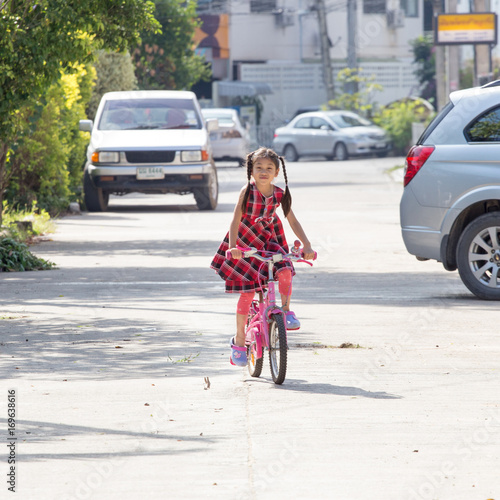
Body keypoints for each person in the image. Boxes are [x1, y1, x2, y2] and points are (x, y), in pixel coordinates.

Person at [210, 147, 315, 367]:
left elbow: (292, 220)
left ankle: (285, 311)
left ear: (276, 172)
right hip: (245, 241)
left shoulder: (280, 194)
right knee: (248, 294)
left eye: (269, 168)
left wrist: (307, 244)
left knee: (285, 270)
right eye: (259, 167)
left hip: (270, 240)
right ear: (251, 170)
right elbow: (235, 219)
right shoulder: (247, 191)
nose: (264, 171)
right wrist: (232, 247)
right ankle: (239, 341)